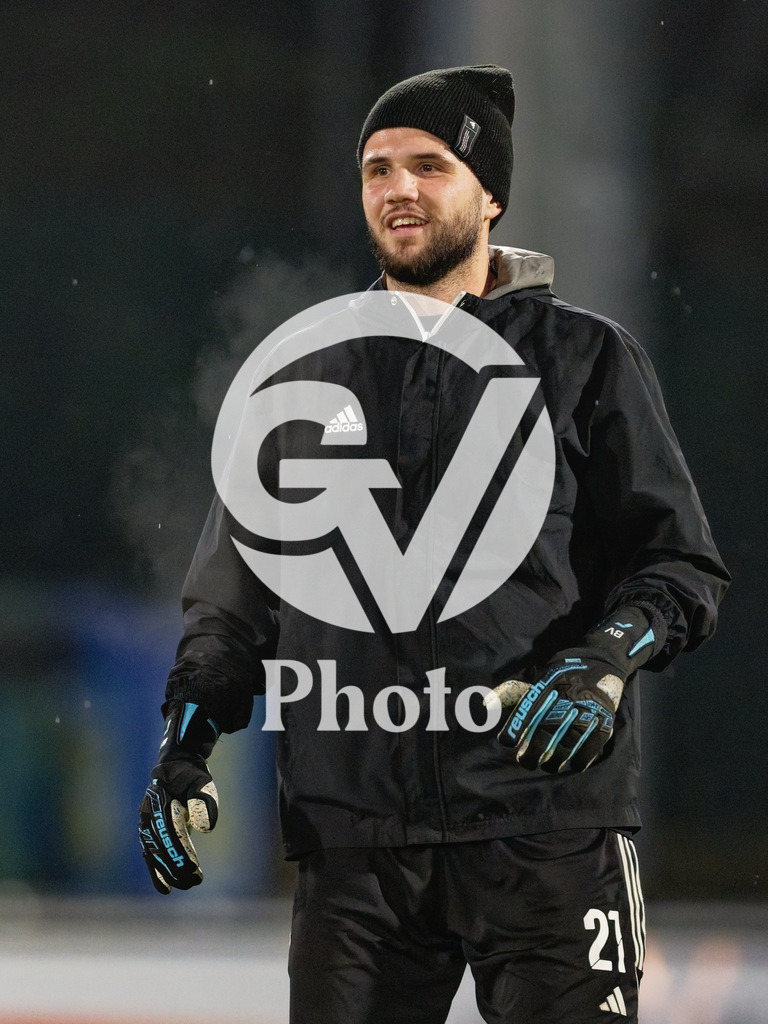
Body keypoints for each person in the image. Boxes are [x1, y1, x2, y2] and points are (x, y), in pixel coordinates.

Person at [138, 65, 729, 1024]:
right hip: (355, 845)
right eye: (377, 169)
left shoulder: (585, 360)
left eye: (429, 164)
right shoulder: (305, 376)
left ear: (490, 194)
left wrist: (602, 665)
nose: (397, 188)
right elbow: (231, 609)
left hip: (547, 828)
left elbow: (680, 565)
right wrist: (183, 745)